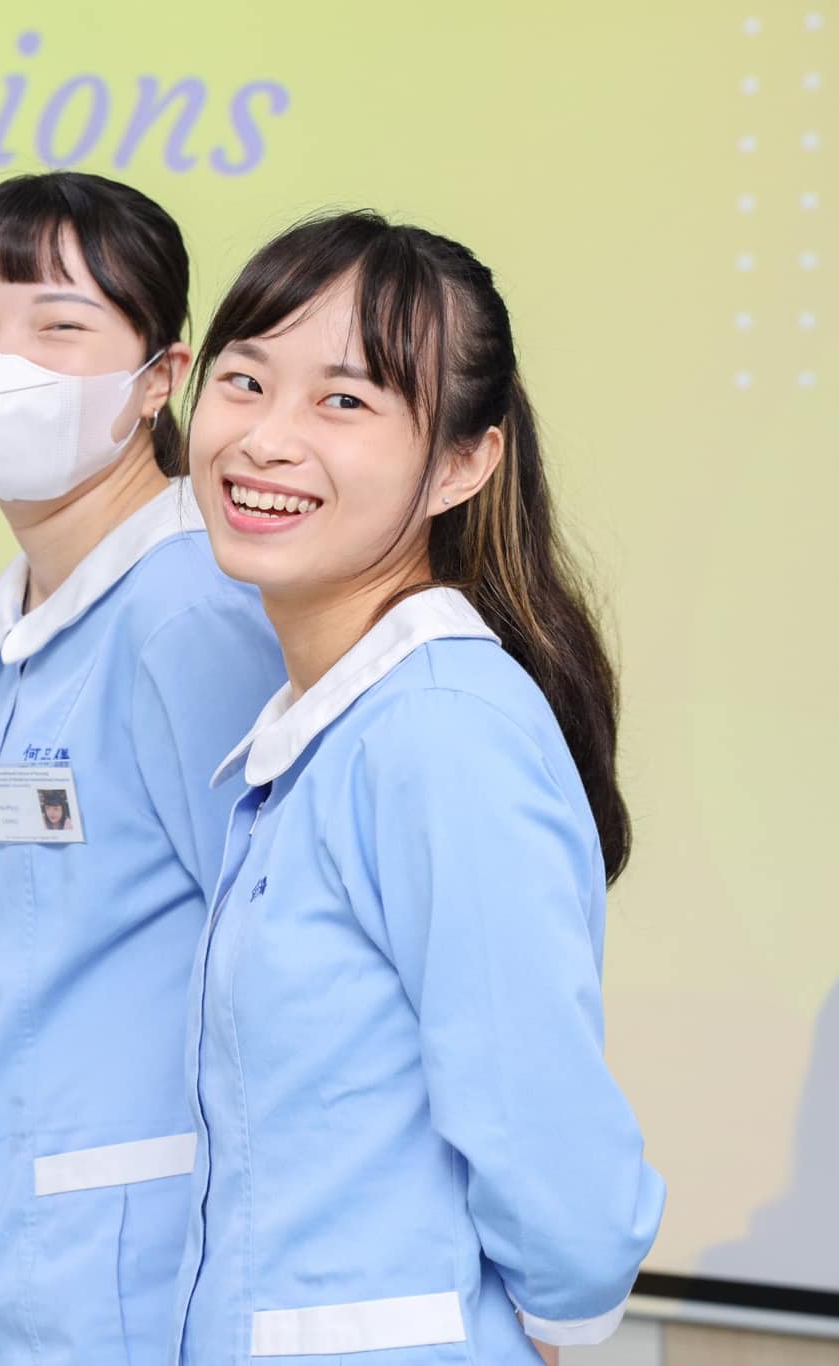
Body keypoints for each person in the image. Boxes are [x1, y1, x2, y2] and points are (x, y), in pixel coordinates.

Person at [173, 212, 664, 1365]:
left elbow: (546, 1133)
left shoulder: (440, 733)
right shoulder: (337, 723)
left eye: (342, 402)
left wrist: (559, 1321)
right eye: (242, 381)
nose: (264, 440)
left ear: (461, 459)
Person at [0, 172, 286, 1363]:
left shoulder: (190, 613)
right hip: (10, 1277)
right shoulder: (14, 626)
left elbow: (279, 973)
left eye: (56, 325)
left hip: (147, 1281)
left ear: (160, 381)